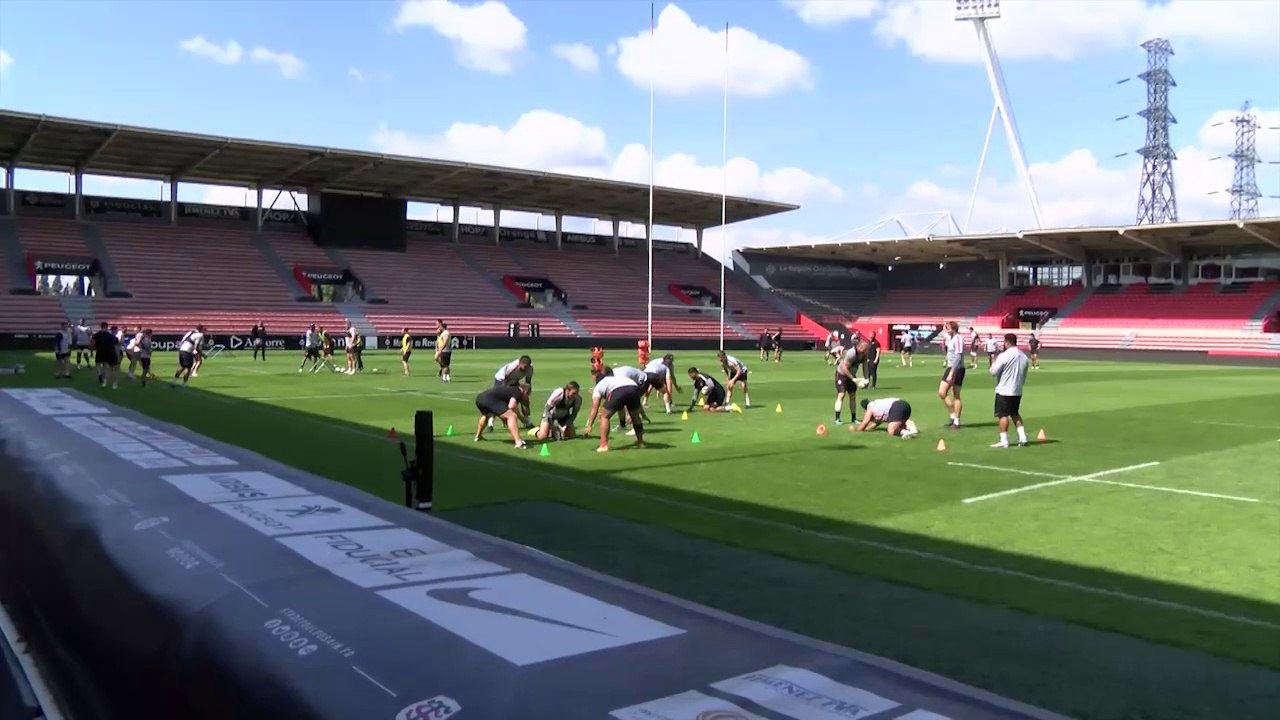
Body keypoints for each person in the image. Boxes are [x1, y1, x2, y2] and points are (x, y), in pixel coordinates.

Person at [583, 369, 645, 452]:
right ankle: (640, 442)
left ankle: (603, 445)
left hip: (619, 390)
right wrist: (643, 414)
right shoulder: (615, 379)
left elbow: (595, 406)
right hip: (634, 387)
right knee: (635, 416)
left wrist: (589, 425)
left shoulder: (598, 386)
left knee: (604, 416)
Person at [990, 333, 1031, 448]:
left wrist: (994, 361)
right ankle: (1023, 438)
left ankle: (1004, 440)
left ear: (1007, 342)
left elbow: (993, 372)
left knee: (1003, 415)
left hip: (1004, 389)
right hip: (1017, 389)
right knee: (1015, 414)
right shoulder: (1023, 356)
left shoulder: (1004, 355)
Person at [472, 384, 529, 449]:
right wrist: (521, 418)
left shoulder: (510, 389)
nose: (527, 397)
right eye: (527, 395)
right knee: (512, 416)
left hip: (480, 398)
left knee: (486, 415)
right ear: (525, 392)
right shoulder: (518, 391)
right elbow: (511, 406)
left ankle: (478, 436)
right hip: (490, 399)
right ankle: (519, 442)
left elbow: (502, 407)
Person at [489, 356, 534, 430]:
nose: (522, 368)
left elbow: (528, 381)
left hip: (514, 380)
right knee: (498, 400)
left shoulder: (530, 370)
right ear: (519, 363)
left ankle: (528, 421)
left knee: (525, 399)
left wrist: (527, 390)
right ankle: (490, 423)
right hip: (501, 380)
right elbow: (505, 380)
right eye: (521, 365)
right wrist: (504, 392)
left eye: (525, 367)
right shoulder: (512, 367)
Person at [833, 340, 870, 425]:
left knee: (852, 396)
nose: (866, 351)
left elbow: (865, 366)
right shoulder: (851, 353)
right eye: (865, 349)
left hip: (852, 375)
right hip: (841, 374)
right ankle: (837, 418)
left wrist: (866, 378)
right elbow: (844, 367)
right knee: (841, 394)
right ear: (860, 348)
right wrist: (853, 379)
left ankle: (854, 418)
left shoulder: (864, 354)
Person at [939, 321, 966, 429]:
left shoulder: (959, 338)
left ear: (954, 329)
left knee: (956, 395)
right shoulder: (949, 337)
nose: (947, 329)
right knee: (942, 393)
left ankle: (957, 421)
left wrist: (951, 373)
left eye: (948, 328)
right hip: (950, 366)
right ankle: (953, 415)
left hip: (957, 368)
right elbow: (944, 333)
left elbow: (958, 356)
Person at [853, 397, 919, 438]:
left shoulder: (870, 407)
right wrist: (866, 429)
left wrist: (857, 430)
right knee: (899, 423)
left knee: (891, 431)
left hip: (896, 407)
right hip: (905, 404)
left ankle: (905, 432)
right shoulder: (877, 405)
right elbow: (874, 424)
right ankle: (911, 427)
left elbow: (865, 422)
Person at [90, 322, 120, 390]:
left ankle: (104, 381)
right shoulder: (111, 336)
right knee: (113, 369)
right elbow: (116, 346)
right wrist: (118, 355)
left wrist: (93, 350)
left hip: (100, 353)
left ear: (101, 326)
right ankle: (114, 383)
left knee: (103, 367)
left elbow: (92, 344)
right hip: (111, 353)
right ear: (107, 327)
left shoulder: (97, 335)